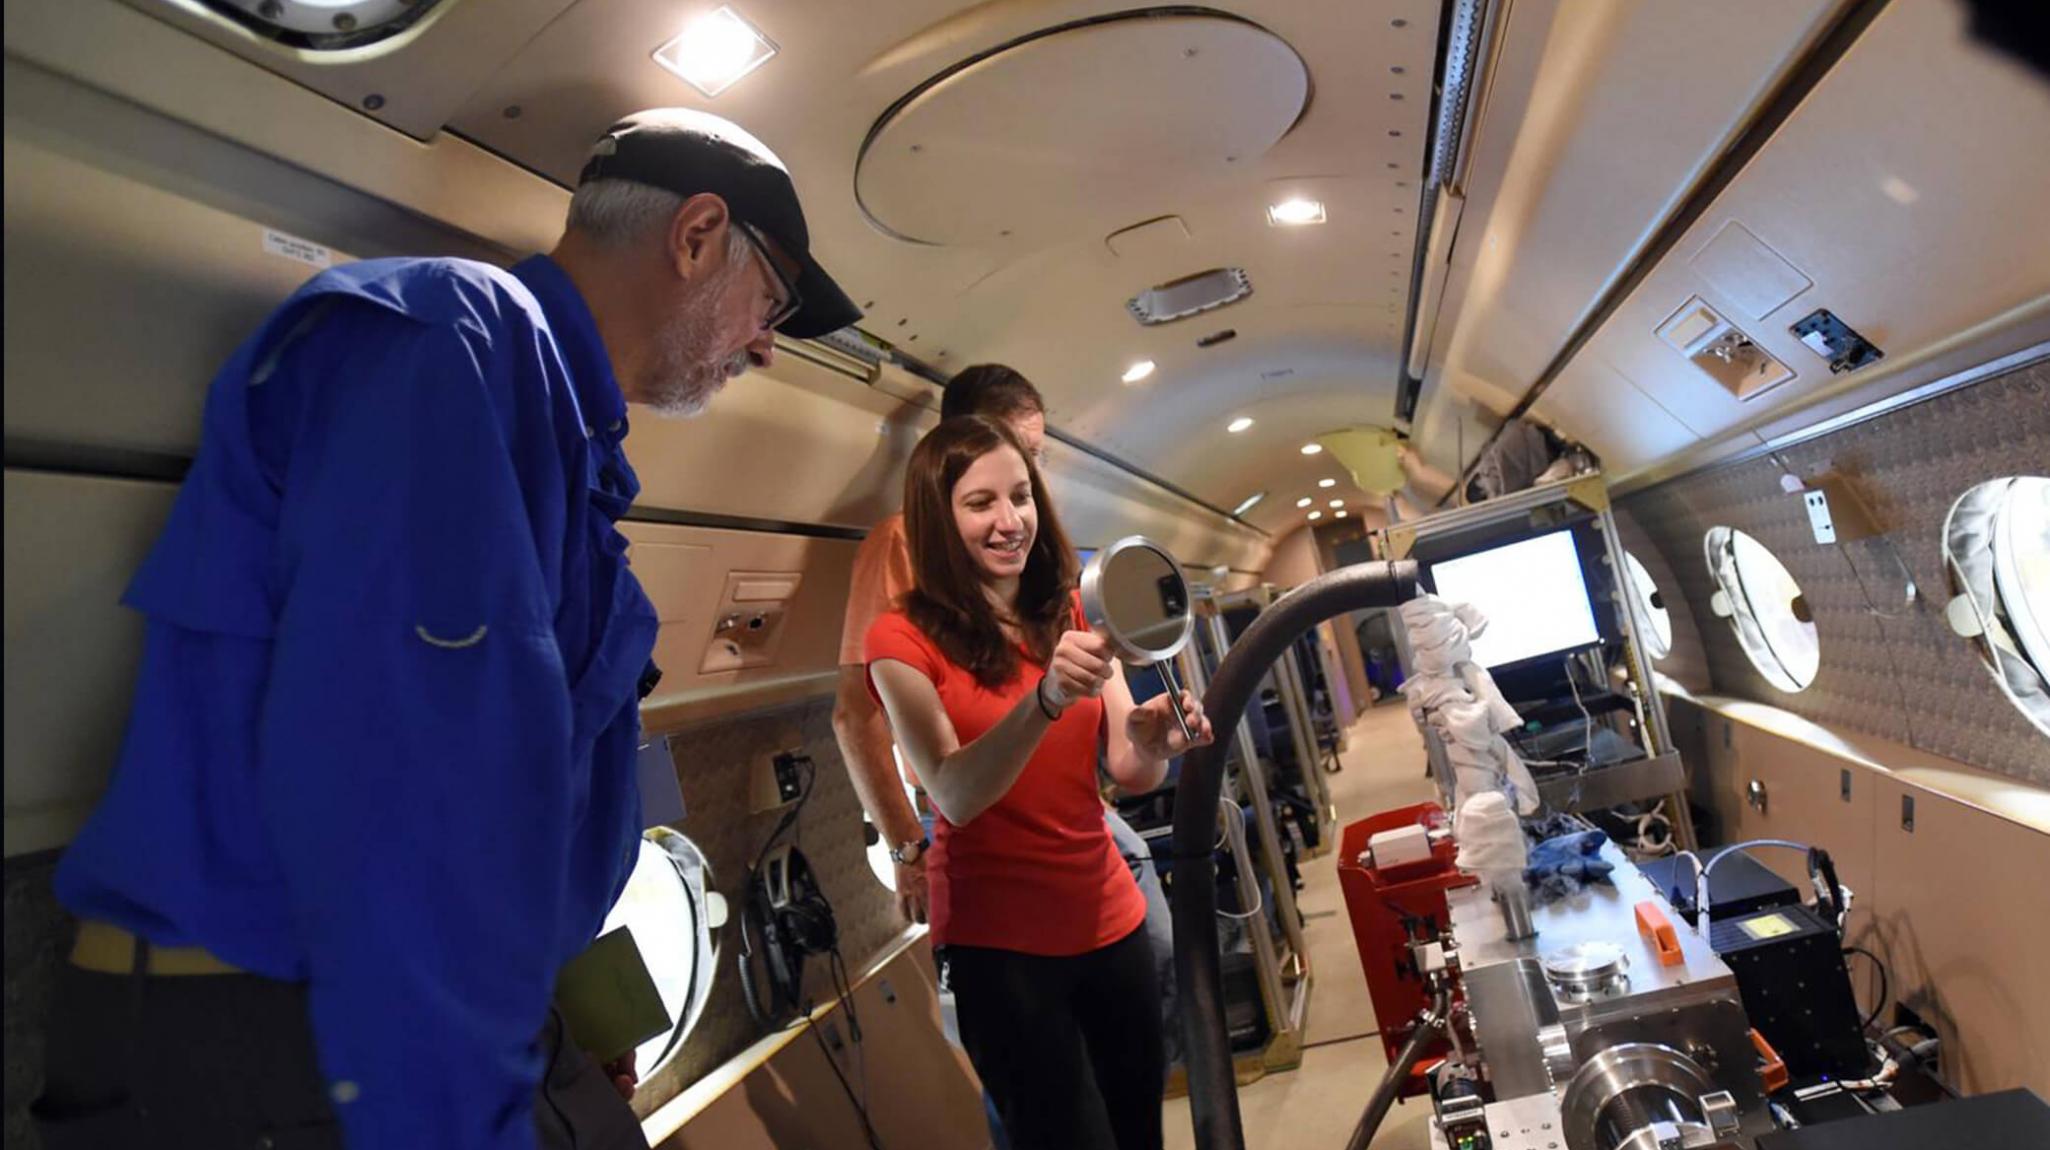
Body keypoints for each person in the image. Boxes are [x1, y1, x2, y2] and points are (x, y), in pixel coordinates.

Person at [33, 108, 859, 1150]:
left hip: (371, 1014)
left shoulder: (564, 438)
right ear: (696, 236)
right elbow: (407, 796)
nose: (767, 346)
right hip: (280, 1024)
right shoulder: (455, 339)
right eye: (771, 298)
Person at [865, 416, 1214, 1150]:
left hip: (1107, 919)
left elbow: (1130, 765)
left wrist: (1156, 737)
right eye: (980, 503)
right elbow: (954, 792)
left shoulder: (1074, 609)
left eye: (1020, 496)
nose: (1009, 521)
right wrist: (1046, 699)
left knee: (1138, 1133)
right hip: (1003, 950)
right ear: (938, 517)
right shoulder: (899, 641)